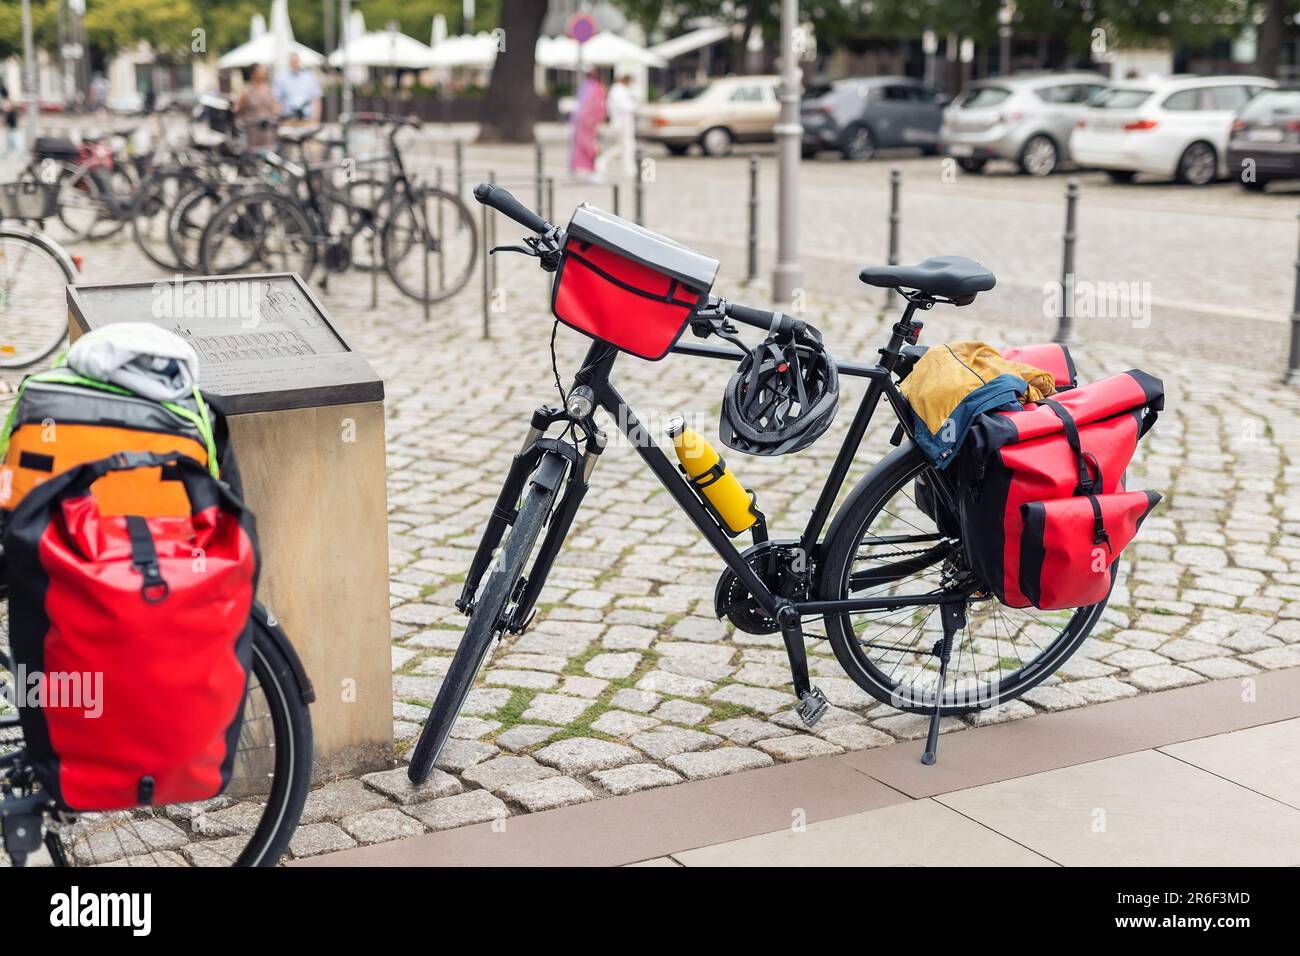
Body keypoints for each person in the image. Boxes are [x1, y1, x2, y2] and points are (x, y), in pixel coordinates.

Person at [597, 74, 638, 179]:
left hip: (621, 121)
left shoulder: (617, 90)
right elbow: (625, 107)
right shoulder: (619, 91)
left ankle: (629, 169)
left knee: (626, 146)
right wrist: (634, 105)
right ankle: (603, 161)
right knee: (625, 145)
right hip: (623, 121)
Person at [569, 67, 606, 180]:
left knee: (581, 144)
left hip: (581, 121)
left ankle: (581, 167)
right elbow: (599, 106)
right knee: (588, 145)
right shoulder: (597, 88)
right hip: (588, 122)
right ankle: (588, 168)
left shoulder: (585, 86)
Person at [236, 64, 280, 149]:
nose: (263, 75)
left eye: (264, 73)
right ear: (253, 74)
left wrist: (275, 116)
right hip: (252, 131)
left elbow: (275, 106)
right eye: (260, 73)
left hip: (267, 130)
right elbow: (238, 109)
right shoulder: (246, 90)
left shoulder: (269, 89)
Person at [273, 53, 322, 123]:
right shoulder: (281, 78)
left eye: (296, 61)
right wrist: (278, 118)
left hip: (307, 118)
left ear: (299, 61)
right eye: (292, 61)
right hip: (288, 120)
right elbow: (276, 100)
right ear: (289, 62)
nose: (294, 63)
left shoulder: (310, 77)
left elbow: (316, 98)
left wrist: (316, 118)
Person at [0, 80, 18, 157]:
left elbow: (7, 111)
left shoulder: (8, 102)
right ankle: (8, 152)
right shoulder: (7, 102)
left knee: (15, 138)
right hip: (11, 125)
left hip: (12, 125)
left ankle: (20, 153)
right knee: (10, 139)